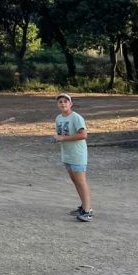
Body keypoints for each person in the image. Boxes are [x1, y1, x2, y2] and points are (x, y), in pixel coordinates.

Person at [52, 93, 93, 222]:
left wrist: (63, 138)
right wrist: (57, 138)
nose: (63, 103)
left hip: (77, 154)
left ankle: (87, 211)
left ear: (71, 104)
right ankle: (83, 206)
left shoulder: (76, 118)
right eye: (60, 102)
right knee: (75, 181)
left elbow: (83, 135)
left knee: (81, 181)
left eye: (65, 101)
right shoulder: (59, 118)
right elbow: (61, 134)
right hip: (67, 153)